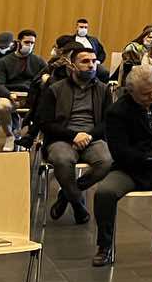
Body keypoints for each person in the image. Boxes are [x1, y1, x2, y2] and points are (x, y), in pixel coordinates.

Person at [94, 64, 152, 267]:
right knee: (105, 192)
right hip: (133, 169)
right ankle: (104, 246)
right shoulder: (117, 112)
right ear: (131, 92)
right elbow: (121, 153)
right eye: (145, 94)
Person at [38, 47, 115, 225]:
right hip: (61, 138)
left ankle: (67, 194)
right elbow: (45, 123)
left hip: (92, 138)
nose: (91, 65)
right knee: (62, 160)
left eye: (94, 61)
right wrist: (73, 136)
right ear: (72, 66)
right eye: (85, 61)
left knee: (107, 161)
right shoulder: (55, 89)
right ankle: (78, 204)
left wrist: (88, 136)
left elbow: (108, 122)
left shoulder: (103, 89)